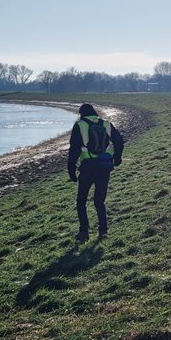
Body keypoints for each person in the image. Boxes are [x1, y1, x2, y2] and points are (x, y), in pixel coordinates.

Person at [68, 103, 124, 241]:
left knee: (81, 201)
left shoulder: (80, 125)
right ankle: (103, 231)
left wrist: (71, 169)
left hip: (87, 167)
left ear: (81, 113)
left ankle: (84, 233)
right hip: (104, 167)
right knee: (100, 201)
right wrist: (117, 159)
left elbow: (74, 149)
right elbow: (119, 142)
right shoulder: (105, 124)